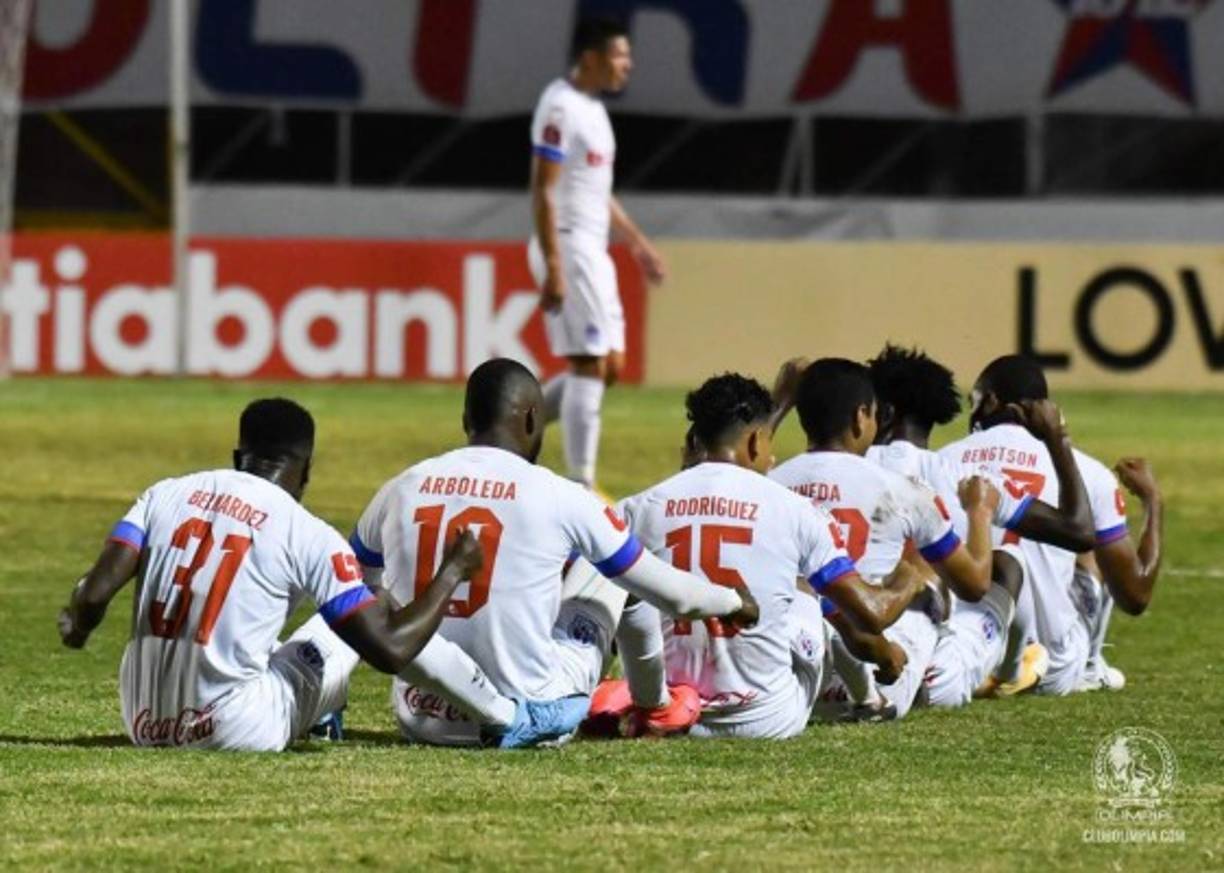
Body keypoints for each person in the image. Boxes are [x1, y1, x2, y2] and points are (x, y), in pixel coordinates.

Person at [349, 359, 758, 747]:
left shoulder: (402, 485)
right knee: (615, 568)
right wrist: (732, 600)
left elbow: (350, 594)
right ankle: (656, 708)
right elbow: (674, 596)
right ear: (532, 419)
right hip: (530, 706)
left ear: (466, 421)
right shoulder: (559, 494)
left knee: (360, 594)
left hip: (421, 720)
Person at [57, 398, 484, 752]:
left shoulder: (162, 494)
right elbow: (390, 650)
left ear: (238, 457)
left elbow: (93, 595)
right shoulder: (306, 531)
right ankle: (323, 715)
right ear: (307, 471)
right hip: (235, 730)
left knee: (259, 638)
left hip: (143, 724)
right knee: (368, 605)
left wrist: (77, 625)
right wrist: (453, 572)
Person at [594, 373, 926, 739]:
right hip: (767, 717)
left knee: (632, 590)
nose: (774, 456)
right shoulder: (797, 509)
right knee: (807, 588)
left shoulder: (636, 507)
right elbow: (870, 612)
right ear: (754, 441)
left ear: (694, 440)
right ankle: (870, 701)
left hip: (677, 715)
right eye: (770, 441)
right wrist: (909, 579)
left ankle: (655, 702)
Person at [769, 358, 1021, 718]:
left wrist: (780, 402)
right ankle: (947, 672)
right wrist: (979, 513)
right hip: (880, 673)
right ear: (861, 417)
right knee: (928, 571)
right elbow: (975, 585)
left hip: (791, 679)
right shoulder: (902, 490)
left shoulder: (769, 485)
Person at [865, 345, 1097, 705]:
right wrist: (1056, 438)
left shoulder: (845, 468)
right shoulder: (954, 473)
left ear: (882, 413)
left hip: (840, 653)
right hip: (932, 672)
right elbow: (1080, 531)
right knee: (1007, 561)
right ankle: (1009, 669)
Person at [939, 355, 1162, 695]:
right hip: (1056, 665)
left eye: (975, 402)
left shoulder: (942, 461)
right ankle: (1089, 666)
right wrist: (1153, 503)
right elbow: (1135, 596)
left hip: (971, 652)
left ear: (993, 401)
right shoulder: (1088, 472)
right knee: (1092, 545)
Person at [528, 16, 666, 489]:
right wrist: (552, 264)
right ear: (590, 57)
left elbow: (596, 190)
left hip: (593, 245)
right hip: (567, 243)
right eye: (619, 56)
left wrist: (635, 240)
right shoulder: (560, 107)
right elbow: (543, 189)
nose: (627, 65)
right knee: (588, 362)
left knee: (610, 366)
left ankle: (509, 428)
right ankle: (581, 483)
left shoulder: (594, 109)